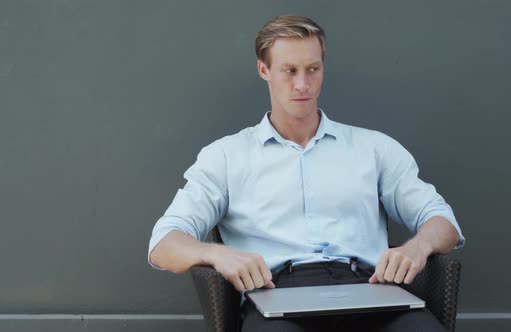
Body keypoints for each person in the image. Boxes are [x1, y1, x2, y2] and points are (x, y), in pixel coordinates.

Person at [148, 15, 465, 332]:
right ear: (264, 70)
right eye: (290, 71)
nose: (303, 84)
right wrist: (217, 255)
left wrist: (417, 247)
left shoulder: (374, 148)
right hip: (277, 294)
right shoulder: (225, 156)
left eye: (313, 69)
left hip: (370, 288)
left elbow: (442, 221)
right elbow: (164, 244)